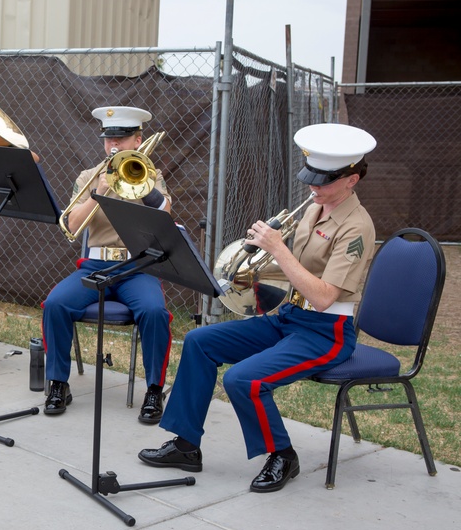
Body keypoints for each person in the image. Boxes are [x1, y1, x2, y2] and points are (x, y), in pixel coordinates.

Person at [138, 123, 377, 493]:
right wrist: (255, 262)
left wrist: (278, 247)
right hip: (289, 318)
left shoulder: (357, 226)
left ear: (352, 180)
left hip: (325, 332)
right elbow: (292, 274)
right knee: (201, 341)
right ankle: (186, 445)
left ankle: (282, 454)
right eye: (311, 177)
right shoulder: (317, 208)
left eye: (324, 180)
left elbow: (325, 296)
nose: (313, 187)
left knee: (243, 379)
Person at [41, 106, 173, 417]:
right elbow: (72, 227)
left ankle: (154, 390)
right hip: (95, 265)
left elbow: (165, 215)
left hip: (136, 267)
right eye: (108, 139)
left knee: (155, 312)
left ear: (138, 140)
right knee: (55, 304)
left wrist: (144, 184)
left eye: (122, 139)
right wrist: (98, 191)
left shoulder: (151, 175)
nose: (113, 146)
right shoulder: (89, 177)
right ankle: (58, 383)